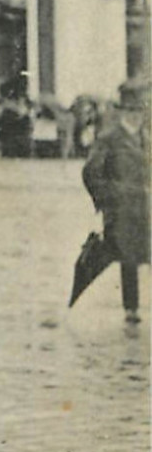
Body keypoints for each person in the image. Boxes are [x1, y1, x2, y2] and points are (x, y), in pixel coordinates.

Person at [82, 82, 150, 323]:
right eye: (131, 111)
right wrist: (108, 199)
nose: (137, 116)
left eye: (140, 111)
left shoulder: (146, 138)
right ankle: (130, 309)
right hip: (121, 212)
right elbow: (90, 172)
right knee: (128, 258)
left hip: (145, 209)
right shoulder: (109, 139)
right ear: (122, 113)